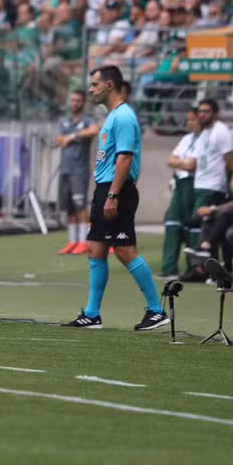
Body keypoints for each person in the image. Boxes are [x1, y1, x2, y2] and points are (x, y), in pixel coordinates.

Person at [64, 65, 169, 331]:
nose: (91, 89)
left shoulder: (123, 117)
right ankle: (92, 314)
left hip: (116, 190)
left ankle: (156, 311)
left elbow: (124, 158)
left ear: (109, 85)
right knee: (95, 249)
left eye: (95, 84)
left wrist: (112, 195)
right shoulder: (113, 116)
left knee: (124, 251)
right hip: (105, 189)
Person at [180, 98, 233, 282]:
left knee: (203, 225)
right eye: (200, 111)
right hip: (201, 184)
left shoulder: (221, 131)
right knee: (207, 227)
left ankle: (201, 269)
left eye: (206, 111)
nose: (202, 114)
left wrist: (225, 183)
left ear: (215, 113)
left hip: (213, 186)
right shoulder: (204, 133)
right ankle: (208, 268)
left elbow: (229, 159)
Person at [55, 89, 99, 255]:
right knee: (69, 208)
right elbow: (58, 139)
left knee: (81, 205)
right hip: (65, 169)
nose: (74, 103)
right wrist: (66, 139)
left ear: (83, 103)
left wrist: (72, 137)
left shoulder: (87, 121)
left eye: (78, 101)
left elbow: (94, 130)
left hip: (79, 171)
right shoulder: (64, 121)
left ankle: (83, 241)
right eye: (72, 100)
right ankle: (72, 241)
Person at [160, 108, 201, 278]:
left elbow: (194, 165)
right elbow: (171, 160)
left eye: (193, 119)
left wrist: (180, 163)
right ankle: (168, 268)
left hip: (195, 184)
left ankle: (194, 268)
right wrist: (183, 163)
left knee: (192, 226)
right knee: (172, 223)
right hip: (180, 183)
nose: (189, 123)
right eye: (188, 119)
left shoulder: (206, 140)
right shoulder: (186, 139)